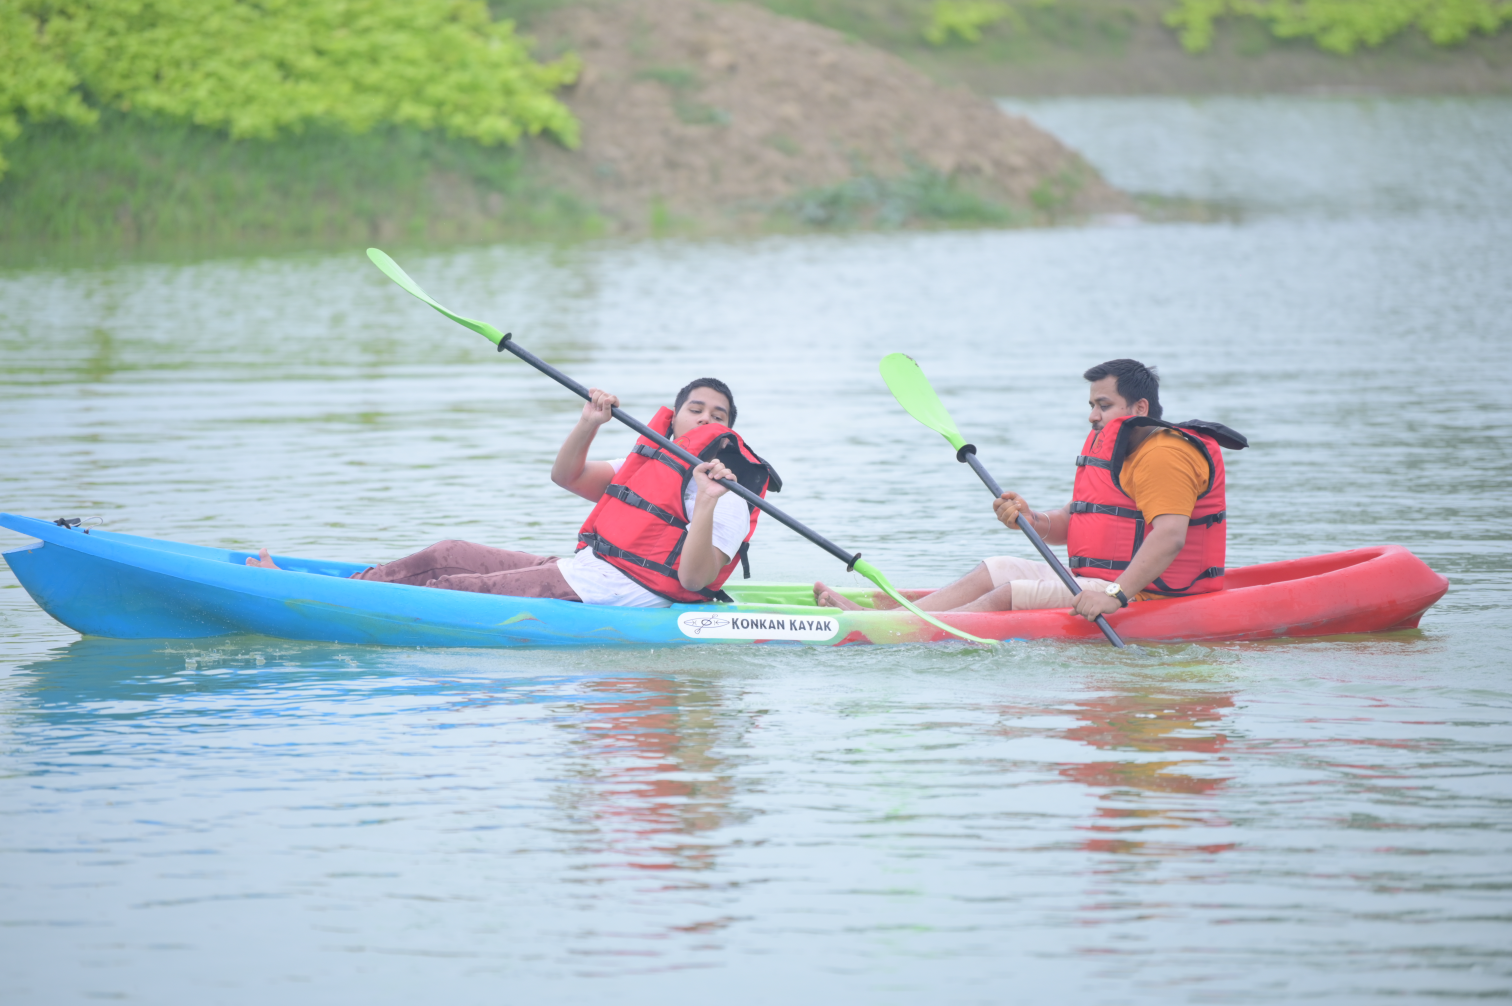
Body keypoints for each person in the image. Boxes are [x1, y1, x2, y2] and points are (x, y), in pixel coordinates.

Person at [247, 378, 779, 606]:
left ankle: (309, 597)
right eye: (696, 408)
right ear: (676, 416)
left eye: (718, 415)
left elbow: (694, 578)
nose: (706, 417)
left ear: (728, 430)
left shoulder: (729, 493)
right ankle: (332, 585)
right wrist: (589, 421)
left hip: (625, 592)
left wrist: (707, 501)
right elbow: (567, 478)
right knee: (446, 554)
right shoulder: (652, 461)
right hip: (590, 568)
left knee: (454, 586)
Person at [815, 359, 1246, 622]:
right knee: (994, 568)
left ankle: (896, 632)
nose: (1093, 416)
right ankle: (893, 618)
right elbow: (1077, 524)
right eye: (1091, 405)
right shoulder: (1117, 445)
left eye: (1104, 405)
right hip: (1100, 581)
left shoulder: (1165, 455)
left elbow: (1169, 536)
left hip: (1148, 593)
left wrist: (1115, 596)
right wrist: (1032, 518)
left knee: (1009, 593)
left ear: (1140, 409)